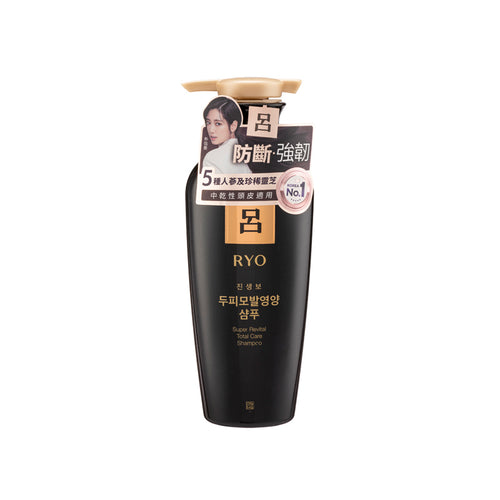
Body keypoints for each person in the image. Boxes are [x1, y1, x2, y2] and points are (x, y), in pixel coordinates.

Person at [201, 96, 251, 174]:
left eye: (218, 123)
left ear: (233, 126)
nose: (211, 130)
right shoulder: (245, 154)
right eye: (208, 122)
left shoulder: (211, 158)